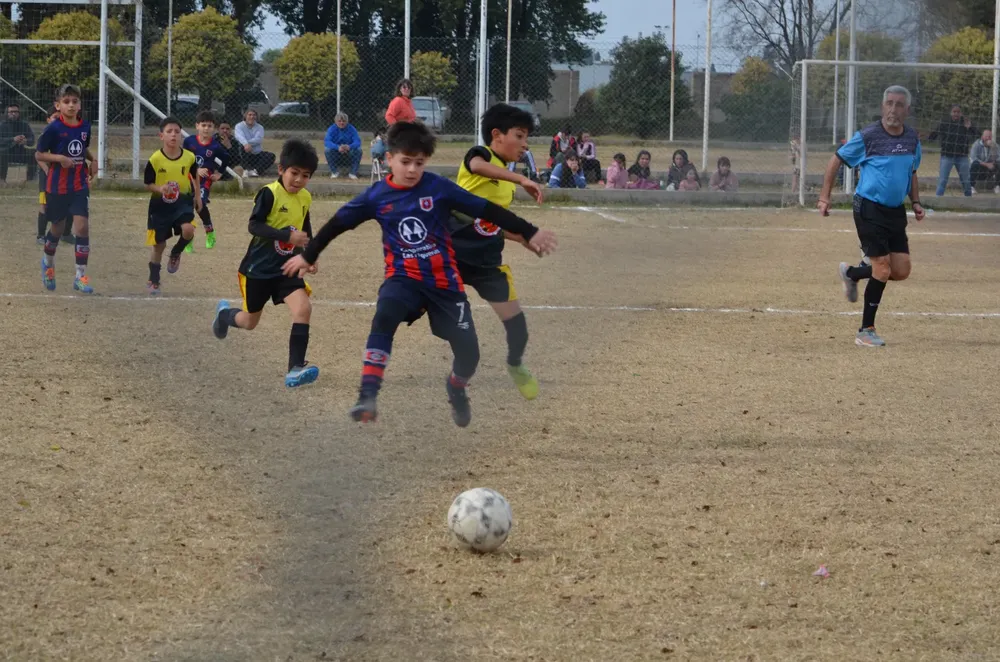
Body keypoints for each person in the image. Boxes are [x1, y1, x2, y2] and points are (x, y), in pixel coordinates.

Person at [280, 122, 558, 426]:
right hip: (404, 279)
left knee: (470, 355)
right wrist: (309, 256)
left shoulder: (438, 188)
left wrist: (530, 231)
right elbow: (338, 223)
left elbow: (487, 210)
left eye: (419, 163)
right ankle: (367, 395)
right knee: (385, 312)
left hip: (444, 284)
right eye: (405, 161)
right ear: (389, 159)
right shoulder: (377, 196)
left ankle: (456, 386)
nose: (412, 169)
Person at [446, 103, 548, 400]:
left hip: (487, 261)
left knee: (518, 328)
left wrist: (523, 240)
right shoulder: (479, 157)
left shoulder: (505, 182)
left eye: (527, 137)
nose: (525, 144)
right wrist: (522, 178)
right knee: (411, 308)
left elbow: (493, 223)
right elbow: (478, 167)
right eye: (520, 135)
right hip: (451, 255)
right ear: (496, 135)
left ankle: (515, 364)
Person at [819, 85, 924, 348]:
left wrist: (917, 201)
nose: (893, 109)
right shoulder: (867, 136)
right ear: (882, 107)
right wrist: (824, 196)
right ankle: (865, 330)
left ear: (907, 110)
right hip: (868, 208)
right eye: (889, 103)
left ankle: (852, 273)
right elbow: (836, 161)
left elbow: (911, 172)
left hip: (895, 212)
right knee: (882, 267)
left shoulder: (912, 139)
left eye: (899, 104)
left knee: (900, 271)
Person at [212, 140, 320, 388]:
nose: (298, 180)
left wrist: (309, 256)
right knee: (250, 322)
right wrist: (286, 236)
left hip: (286, 269)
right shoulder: (269, 193)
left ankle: (295, 368)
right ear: (281, 169)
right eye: (294, 173)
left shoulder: (305, 197)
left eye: (305, 176)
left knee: (303, 308)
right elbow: (254, 225)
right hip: (258, 270)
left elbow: (305, 227)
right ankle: (224, 315)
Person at [35, 83, 98, 294]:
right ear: (58, 105)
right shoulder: (53, 128)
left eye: (75, 101)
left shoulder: (85, 127)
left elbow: (83, 147)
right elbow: (39, 154)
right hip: (57, 186)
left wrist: (93, 160)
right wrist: (59, 158)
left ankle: (80, 276)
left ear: (80, 105)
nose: (71, 105)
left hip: (79, 185)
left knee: (82, 227)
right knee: (57, 228)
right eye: (66, 101)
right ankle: (48, 263)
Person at [143, 116, 201, 295]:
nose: (174, 135)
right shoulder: (155, 159)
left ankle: (176, 252)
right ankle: (154, 280)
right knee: (158, 245)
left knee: (188, 230)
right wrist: (160, 188)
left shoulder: (189, 158)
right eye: (169, 132)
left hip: (182, 203)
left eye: (177, 132)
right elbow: (147, 183)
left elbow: (195, 178)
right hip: (160, 206)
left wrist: (198, 197)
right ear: (162, 136)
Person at [183, 110, 229, 250]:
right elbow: (184, 160)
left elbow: (226, 159)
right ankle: (188, 238)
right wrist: (195, 170)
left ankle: (210, 233)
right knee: (187, 208)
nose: (206, 129)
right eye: (203, 125)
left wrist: (219, 174)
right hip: (189, 180)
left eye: (209, 126)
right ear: (197, 126)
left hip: (204, 182)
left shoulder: (215, 146)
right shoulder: (189, 141)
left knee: (200, 204)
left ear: (213, 128)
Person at [35, 106, 74, 245]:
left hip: (63, 176)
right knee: (44, 205)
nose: (59, 120)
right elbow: (38, 156)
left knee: (69, 203)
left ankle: (66, 234)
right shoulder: (46, 134)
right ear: (48, 120)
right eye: (55, 118)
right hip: (47, 176)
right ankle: (40, 236)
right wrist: (46, 169)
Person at [928, 104, 976, 197]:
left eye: (958, 112)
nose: (956, 114)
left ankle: (969, 200)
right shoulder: (945, 123)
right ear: (951, 113)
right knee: (942, 180)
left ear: (961, 113)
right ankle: (938, 201)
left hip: (962, 157)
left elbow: (977, 135)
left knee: (966, 181)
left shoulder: (965, 123)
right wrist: (925, 137)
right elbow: (934, 134)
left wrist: (970, 127)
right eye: (954, 112)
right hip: (947, 156)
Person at [1, 102, 36, 183]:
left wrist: (26, 141)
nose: (13, 114)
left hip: (20, 152)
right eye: (11, 112)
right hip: (5, 152)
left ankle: (30, 179)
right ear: (7, 113)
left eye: (16, 112)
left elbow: (32, 140)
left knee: (34, 153)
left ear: (19, 113)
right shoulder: (2, 125)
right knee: (1, 153)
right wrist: (13, 139)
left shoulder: (24, 124)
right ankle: (1, 179)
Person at [235, 110, 275, 177]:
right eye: (250, 115)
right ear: (245, 116)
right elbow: (239, 137)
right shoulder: (239, 126)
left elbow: (258, 139)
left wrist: (247, 143)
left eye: (254, 115)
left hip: (256, 154)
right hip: (244, 153)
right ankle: (246, 170)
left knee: (271, 156)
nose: (252, 117)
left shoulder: (260, 127)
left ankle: (255, 171)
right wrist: (245, 144)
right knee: (241, 147)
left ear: (256, 117)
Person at [324, 111, 362, 179]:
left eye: (344, 121)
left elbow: (357, 142)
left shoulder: (352, 129)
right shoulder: (331, 129)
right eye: (339, 121)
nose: (342, 123)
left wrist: (349, 146)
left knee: (359, 150)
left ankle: (353, 173)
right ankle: (334, 172)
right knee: (327, 150)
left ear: (347, 121)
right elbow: (327, 142)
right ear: (335, 121)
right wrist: (337, 147)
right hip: (336, 152)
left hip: (349, 152)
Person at [969, 129, 999, 194]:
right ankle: (971, 186)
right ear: (982, 137)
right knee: (975, 163)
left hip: (990, 170)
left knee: (999, 163)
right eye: (986, 136)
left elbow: (999, 157)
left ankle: (997, 186)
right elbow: (973, 158)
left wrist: (993, 149)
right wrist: (987, 164)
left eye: (990, 136)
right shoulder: (976, 145)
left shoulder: (994, 145)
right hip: (979, 169)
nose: (988, 138)